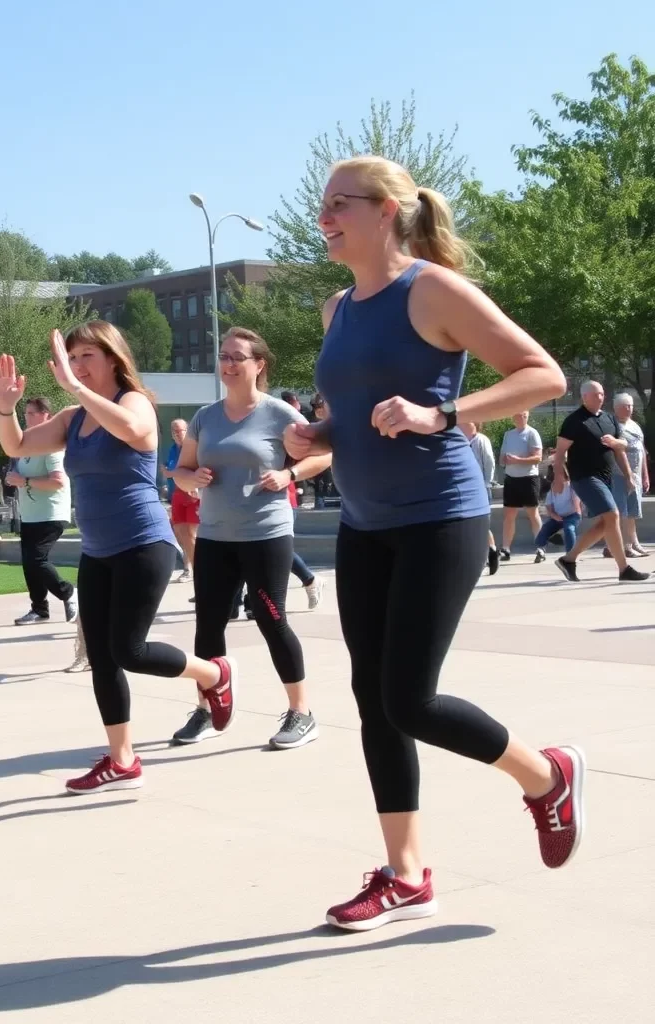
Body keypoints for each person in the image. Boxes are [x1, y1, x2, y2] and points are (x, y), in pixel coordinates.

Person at [285, 155, 584, 932]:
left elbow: (542, 373)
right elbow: (353, 414)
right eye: (323, 205)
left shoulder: (432, 290)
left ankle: (544, 775)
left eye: (338, 204)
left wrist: (443, 415)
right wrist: (315, 432)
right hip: (364, 523)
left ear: (386, 211)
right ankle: (404, 873)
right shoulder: (337, 308)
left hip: (438, 517)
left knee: (409, 698)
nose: (325, 216)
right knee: (371, 702)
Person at [0, 323, 237, 794]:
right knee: (103, 660)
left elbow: (137, 431)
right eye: (74, 357)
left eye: (87, 356)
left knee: (130, 649)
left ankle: (214, 673)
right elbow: (17, 447)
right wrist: (6, 407)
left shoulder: (133, 401)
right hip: (98, 550)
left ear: (112, 358)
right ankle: (122, 759)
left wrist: (76, 388)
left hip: (144, 543)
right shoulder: (72, 417)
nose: (77, 366)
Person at [169, 331, 331, 750]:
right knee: (208, 625)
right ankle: (207, 709)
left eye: (237, 357)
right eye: (223, 357)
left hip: (266, 532)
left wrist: (288, 474)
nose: (227, 364)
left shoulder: (279, 413)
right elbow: (182, 471)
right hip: (215, 536)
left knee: (270, 616)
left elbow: (326, 453)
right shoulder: (206, 417)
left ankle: (301, 712)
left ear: (259, 364)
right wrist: (192, 478)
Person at [552, 381, 649, 583]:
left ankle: (568, 560)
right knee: (613, 514)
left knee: (606, 523)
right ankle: (624, 569)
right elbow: (560, 452)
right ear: (584, 397)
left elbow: (620, 447)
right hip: (584, 477)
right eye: (596, 394)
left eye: (602, 394)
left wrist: (629, 475)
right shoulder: (574, 421)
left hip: (606, 477)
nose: (600, 397)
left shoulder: (608, 419)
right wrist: (559, 476)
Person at [7, 396, 78, 626]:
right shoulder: (29, 443)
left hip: (50, 514)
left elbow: (57, 481)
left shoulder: (52, 446)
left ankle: (68, 592)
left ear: (46, 414)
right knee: (29, 563)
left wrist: (24, 480)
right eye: (25, 413)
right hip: (30, 515)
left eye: (31, 413)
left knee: (37, 560)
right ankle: (39, 609)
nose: (26, 417)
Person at [279, 390, 325, 609]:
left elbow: (311, 458)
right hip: (244, 502)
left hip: (282, 498)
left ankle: (310, 579)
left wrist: (296, 482)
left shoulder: (289, 426)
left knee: (279, 549)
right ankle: (237, 601)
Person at [498, 411, 543, 560]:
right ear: (513, 417)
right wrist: (505, 460)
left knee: (532, 513)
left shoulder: (532, 433)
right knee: (509, 515)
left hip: (528, 478)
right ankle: (505, 549)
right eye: (518, 415)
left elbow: (538, 458)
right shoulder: (508, 434)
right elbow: (502, 458)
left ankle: (540, 548)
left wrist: (518, 459)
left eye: (524, 415)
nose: (521, 418)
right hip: (511, 478)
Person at [609, 392, 648, 557]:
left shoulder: (635, 426)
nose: (629, 409)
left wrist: (645, 475)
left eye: (631, 405)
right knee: (622, 512)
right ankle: (624, 545)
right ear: (616, 408)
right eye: (625, 406)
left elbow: (642, 451)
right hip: (618, 476)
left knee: (633, 512)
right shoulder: (612, 426)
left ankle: (634, 542)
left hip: (637, 476)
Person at [460, 422, 500, 574]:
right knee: (473, 523)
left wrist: (486, 482)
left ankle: (490, 552)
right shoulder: (462, 440)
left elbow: (489, 461)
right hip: (466, 488)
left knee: (481, 522)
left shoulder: (481, 440)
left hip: (481, 487)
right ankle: (487, 552)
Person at [164, 418, 199, 583]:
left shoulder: (193, 448)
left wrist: (173, 473)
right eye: (174, 431)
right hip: (176, 495)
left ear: (187, 430)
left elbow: (173, 471)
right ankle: (190, 568)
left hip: (192, 494)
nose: (177, 434)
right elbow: (167, 471)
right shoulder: (172, 449)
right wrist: (172, 473)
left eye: (180, 430)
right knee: (180, 533)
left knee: (191, 535)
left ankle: (195, 570)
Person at [534, 476, 582, 560]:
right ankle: (541, 550)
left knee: (569, 528)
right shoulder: (551, 492)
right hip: (557, 516)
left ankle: (571, 554)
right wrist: (554, 516)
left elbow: (577, 505)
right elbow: (549, 508)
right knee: (546, 528)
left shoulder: (571, 488)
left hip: (572, 515)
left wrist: (577, 514)